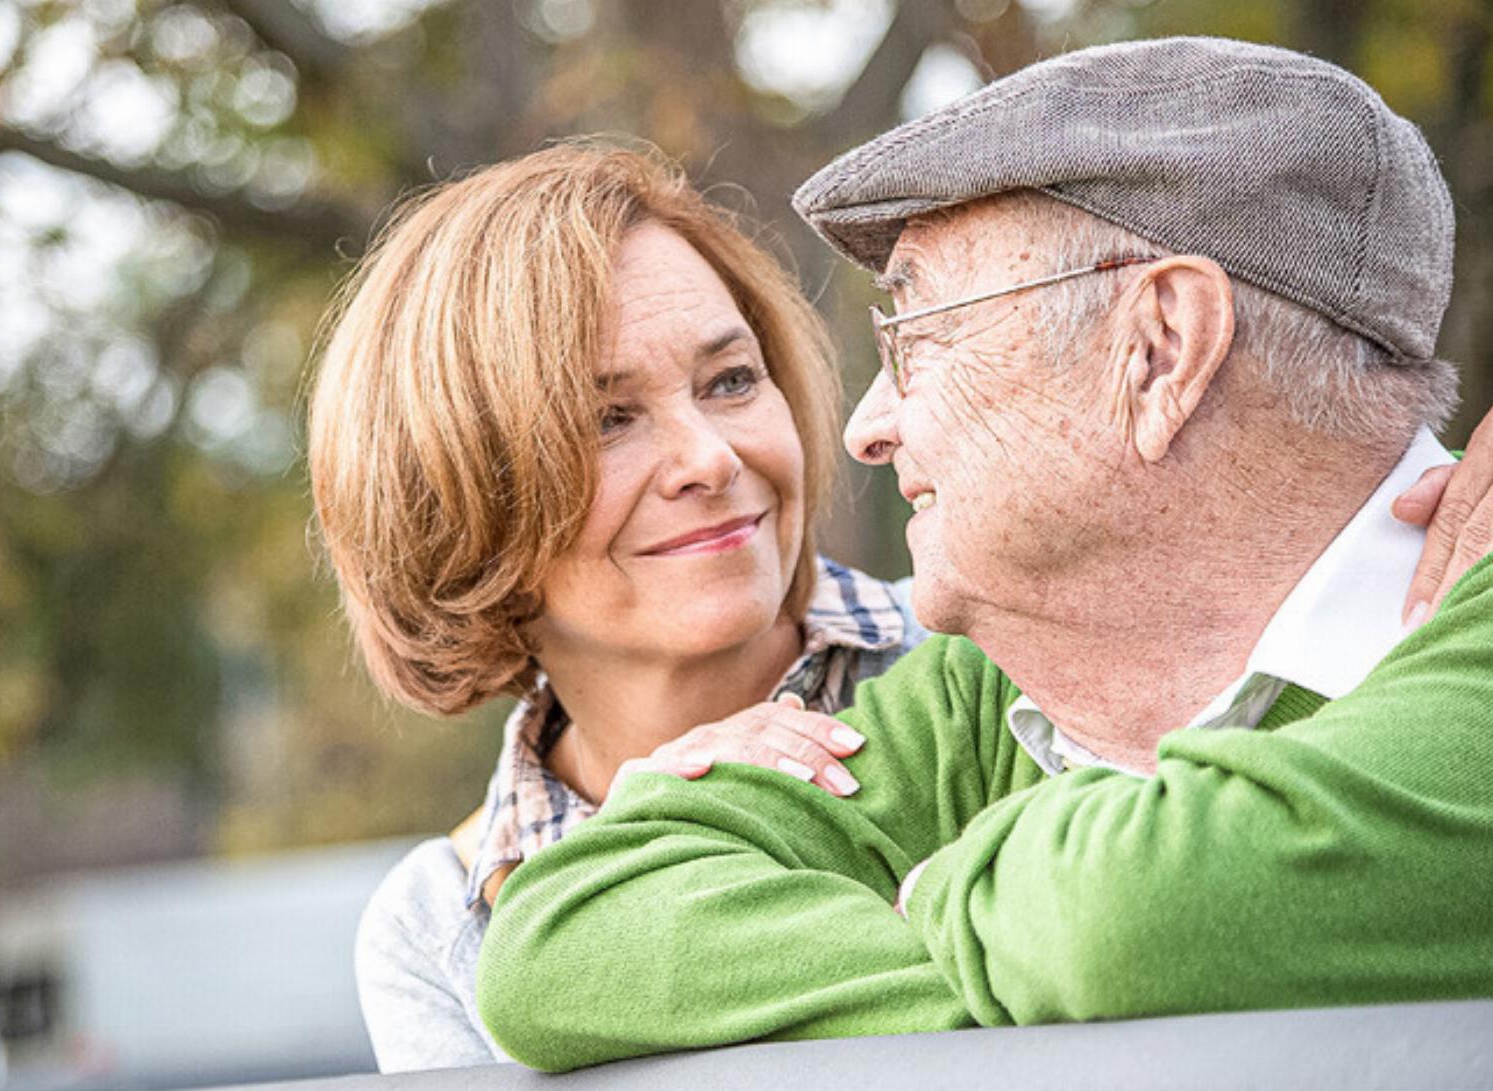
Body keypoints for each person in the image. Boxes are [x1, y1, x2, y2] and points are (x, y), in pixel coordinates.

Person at [474, 38, 1493, 1073]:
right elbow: (564, 934)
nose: (867, 426)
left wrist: (938, 885)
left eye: (917, 333)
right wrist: (1034, 966)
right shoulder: (999, 683)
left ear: (1161, 349)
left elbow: (1129, 919)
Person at [307, 144, 930, 1072]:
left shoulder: (1000, 653)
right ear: (461, 506)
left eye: (730, 381)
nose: (711, 458)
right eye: (607, 420)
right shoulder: (441, 926)